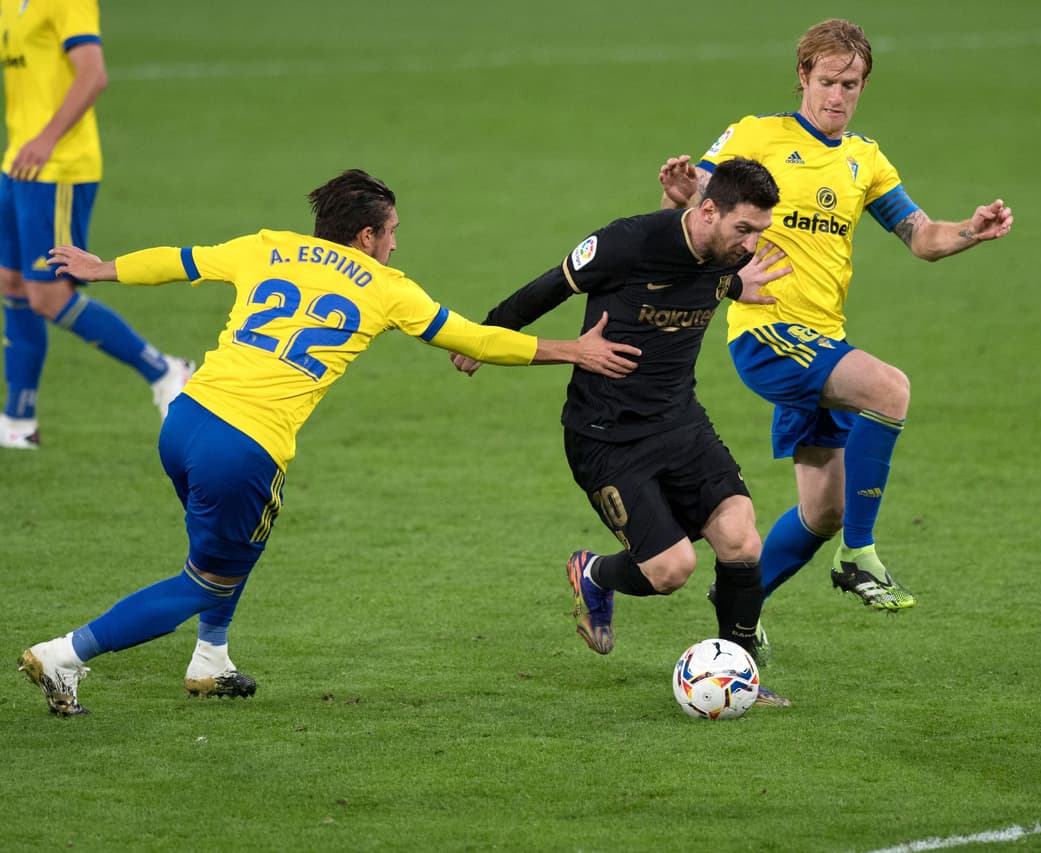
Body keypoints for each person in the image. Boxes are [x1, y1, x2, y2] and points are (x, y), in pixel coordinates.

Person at [18, 169, 642, 716]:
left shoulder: (268, 246)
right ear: (366, 236)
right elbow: (475, 340)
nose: (395, 243)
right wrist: (574, 350)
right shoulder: (385, 287)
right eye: (391, 231)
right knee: (203, 580)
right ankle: (65, 654)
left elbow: (182, 260)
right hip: (244, 448)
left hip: (185, 420)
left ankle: (211, 658)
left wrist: (103, 267)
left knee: (233, 546)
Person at [659, 19, 1013, 645]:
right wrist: (682, 197)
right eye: (827, 81)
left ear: (863, 86)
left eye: (850, 85)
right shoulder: (756, 135)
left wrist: (969, 230)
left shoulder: (864, 159)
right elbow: (696, 213)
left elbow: (919, 236)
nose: (837, 96)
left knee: (825, 510)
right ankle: (859, 556)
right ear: (803, 76)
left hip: (822, 340)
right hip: (766, 331)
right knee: (889, 389)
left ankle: (740, 599)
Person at [451, 158, 793, 704]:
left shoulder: (727, 255)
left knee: (741, 539)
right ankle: (594, 574)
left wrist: (736, 285)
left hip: (680, 422)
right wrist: (485, 336)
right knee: (671, 570)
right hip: (606, 435)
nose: (751, 245)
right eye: (744, 229)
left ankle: (740, 673)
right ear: (708, 211)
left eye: (759, 232)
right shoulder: (627, 242)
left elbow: (703, 273)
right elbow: (550, 286)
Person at [0, 0, 192, 450]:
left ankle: (164, 370)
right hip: (18, 163)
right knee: (10, 281)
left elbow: (93, 74)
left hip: (58, 168)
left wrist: (47, 139)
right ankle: (18, 419)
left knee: (48, 295)